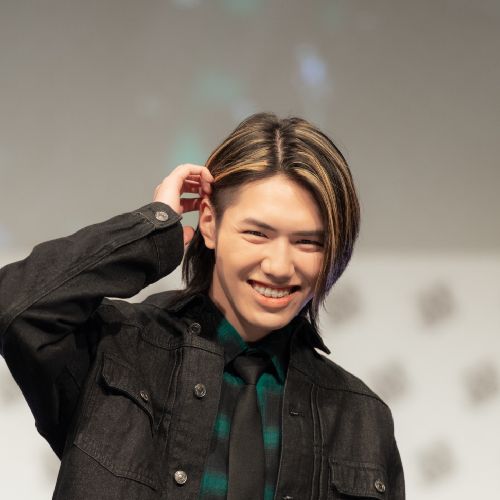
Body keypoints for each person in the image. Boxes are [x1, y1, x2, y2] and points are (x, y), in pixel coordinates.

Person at [0, 112, 405, 499]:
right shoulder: (117, 351)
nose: (280, 267)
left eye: (308, 242)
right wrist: (152, 229)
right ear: (209, 223)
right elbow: (17, 309)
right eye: (257, 234)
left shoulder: (361, 417)